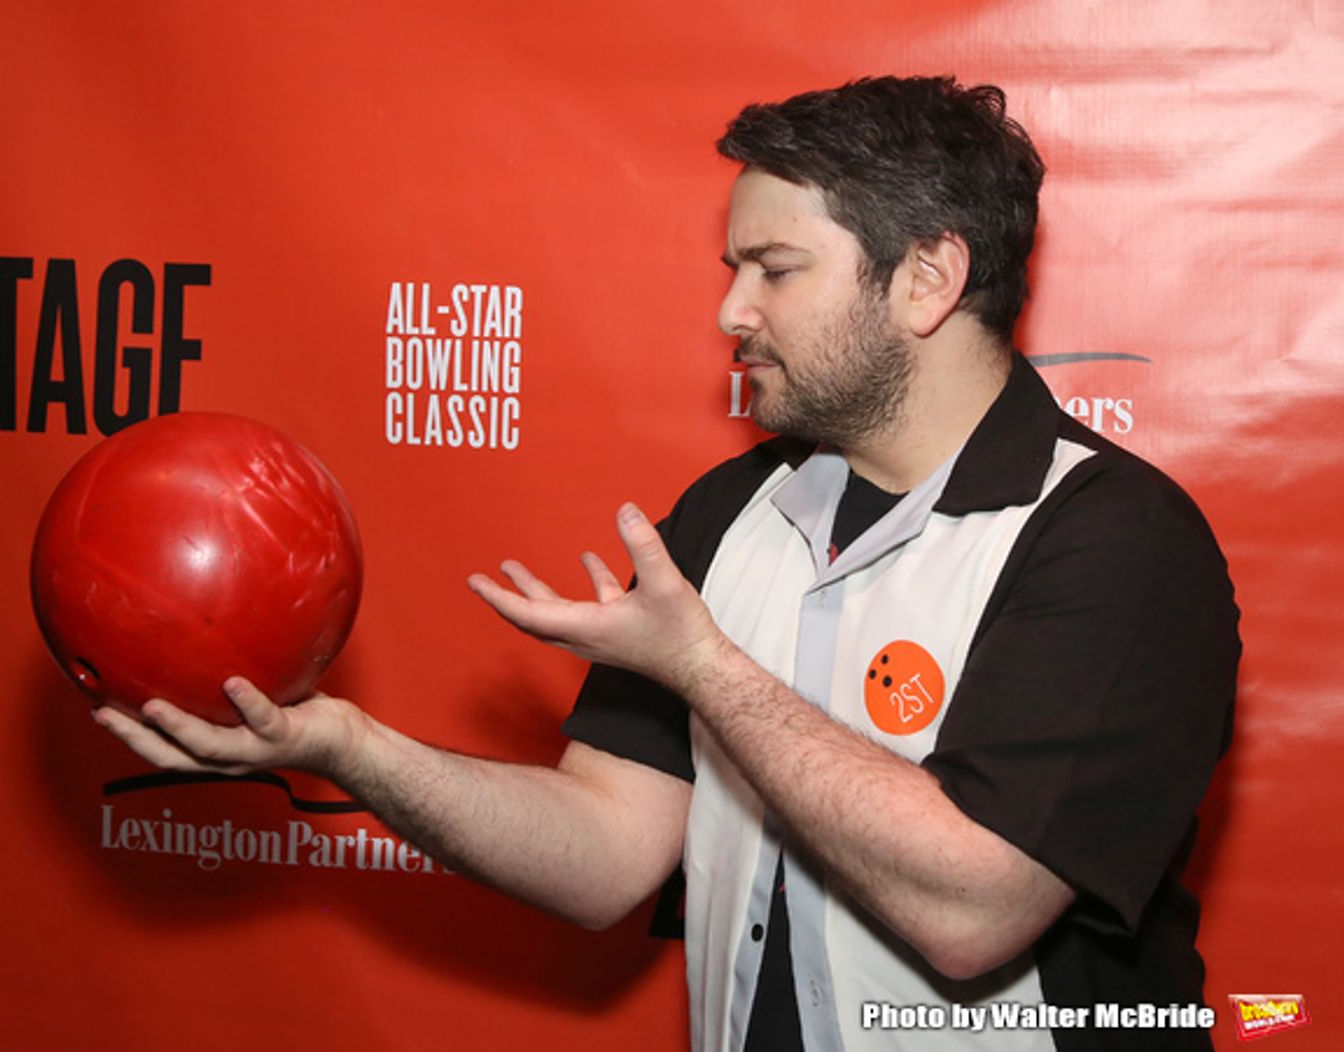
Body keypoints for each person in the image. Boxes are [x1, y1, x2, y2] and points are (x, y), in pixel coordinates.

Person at [96, 76, 1240, 1051]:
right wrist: (347, 745)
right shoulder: (733, 509)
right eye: (732, 267)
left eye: (774, 269)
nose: (729, 309)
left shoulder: (1114, 539)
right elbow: (602, 852)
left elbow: (973, 903)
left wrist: (704, 668)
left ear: (926, 280)